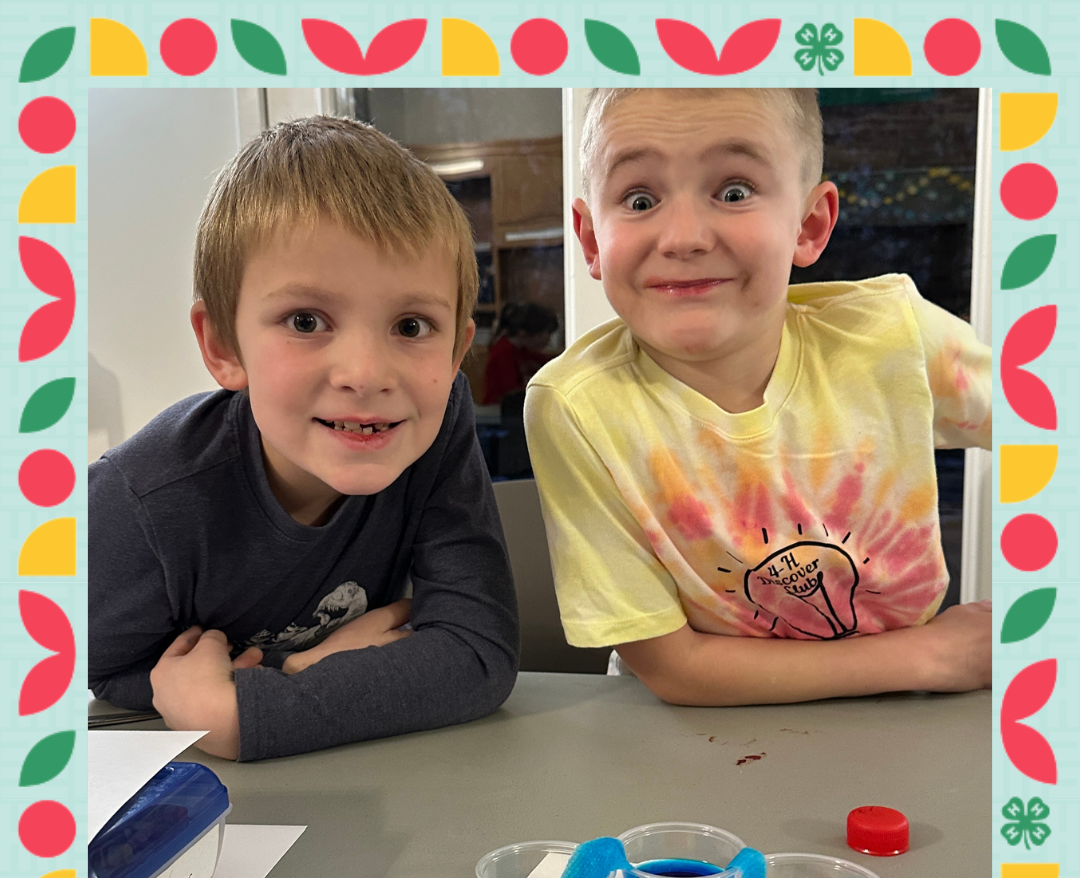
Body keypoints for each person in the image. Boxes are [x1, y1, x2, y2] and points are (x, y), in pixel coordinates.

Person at [524, 89, 991, 707]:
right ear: (590, 240)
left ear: (809, 225)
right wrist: (934, 655)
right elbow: (675, 670)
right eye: (640, 200)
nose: (683, 237)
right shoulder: (575, 409)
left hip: (913, 713)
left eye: (734, 191)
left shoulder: (893, 338)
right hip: (693, 735)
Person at [89, 116, 519, 760]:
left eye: (410, 325)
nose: (367, 375)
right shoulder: (136, 498)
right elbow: (104, 673)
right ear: (222, 346)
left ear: (458, 352)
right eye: (306, 320)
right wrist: (280, 684)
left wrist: (264, 700)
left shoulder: (436, 420)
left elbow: (478, 649)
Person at [481, 302, 559, 405]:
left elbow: (548, 363)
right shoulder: (503, 352)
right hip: (500, 413)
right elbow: (512, 393)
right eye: (547, 333)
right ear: (524, 333)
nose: (548, 340)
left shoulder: (522, 350)